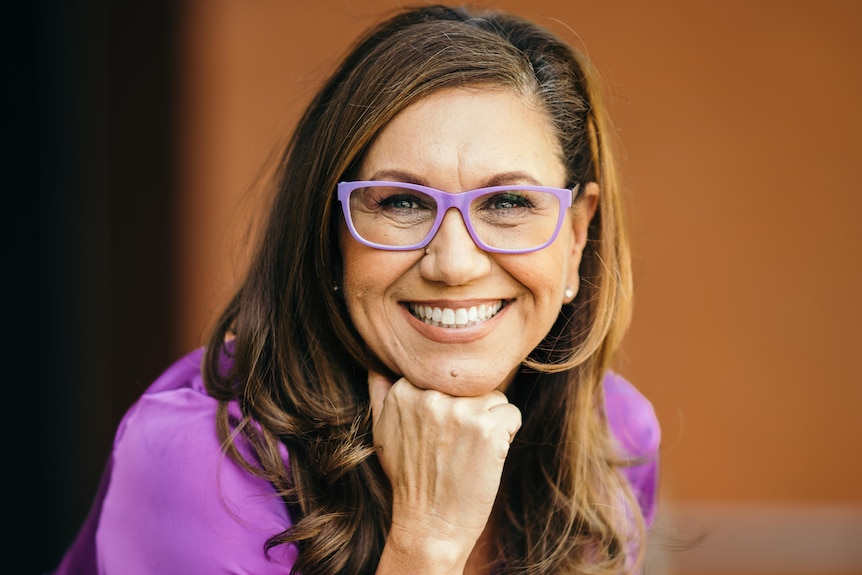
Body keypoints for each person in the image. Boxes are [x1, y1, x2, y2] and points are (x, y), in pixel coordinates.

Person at [53, 4, 660, 574]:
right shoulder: (195, 462)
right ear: (331, 233)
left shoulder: (611, 438)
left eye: (507, 202)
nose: (454, 264)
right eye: (400, 201)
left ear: (577, 236)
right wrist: (427, 541)